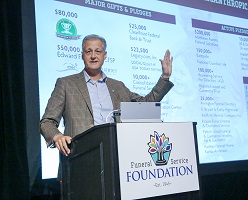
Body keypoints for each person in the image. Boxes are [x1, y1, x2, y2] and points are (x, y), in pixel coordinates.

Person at [40, 34, 174, 157]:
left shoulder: (117, 86)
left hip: (115, 157)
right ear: (82, 55)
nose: (93, 56)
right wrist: (57, 137)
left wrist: (165, 77)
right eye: (88, 51)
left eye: (98, 51)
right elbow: (46, 122)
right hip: (79, 159)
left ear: (105, 55)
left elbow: (145, 107)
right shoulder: (66, 84)